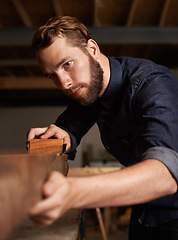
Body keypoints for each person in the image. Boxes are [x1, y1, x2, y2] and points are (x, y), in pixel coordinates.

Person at [27, 16, 178, 239]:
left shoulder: (152, 84)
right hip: (143, 208)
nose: (64, 84)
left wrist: (73, 193)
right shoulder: (90, 89)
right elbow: (68, 128)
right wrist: (60, 136)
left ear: (92, 49)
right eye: (52, 76)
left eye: (67, 64)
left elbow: (166, 175)